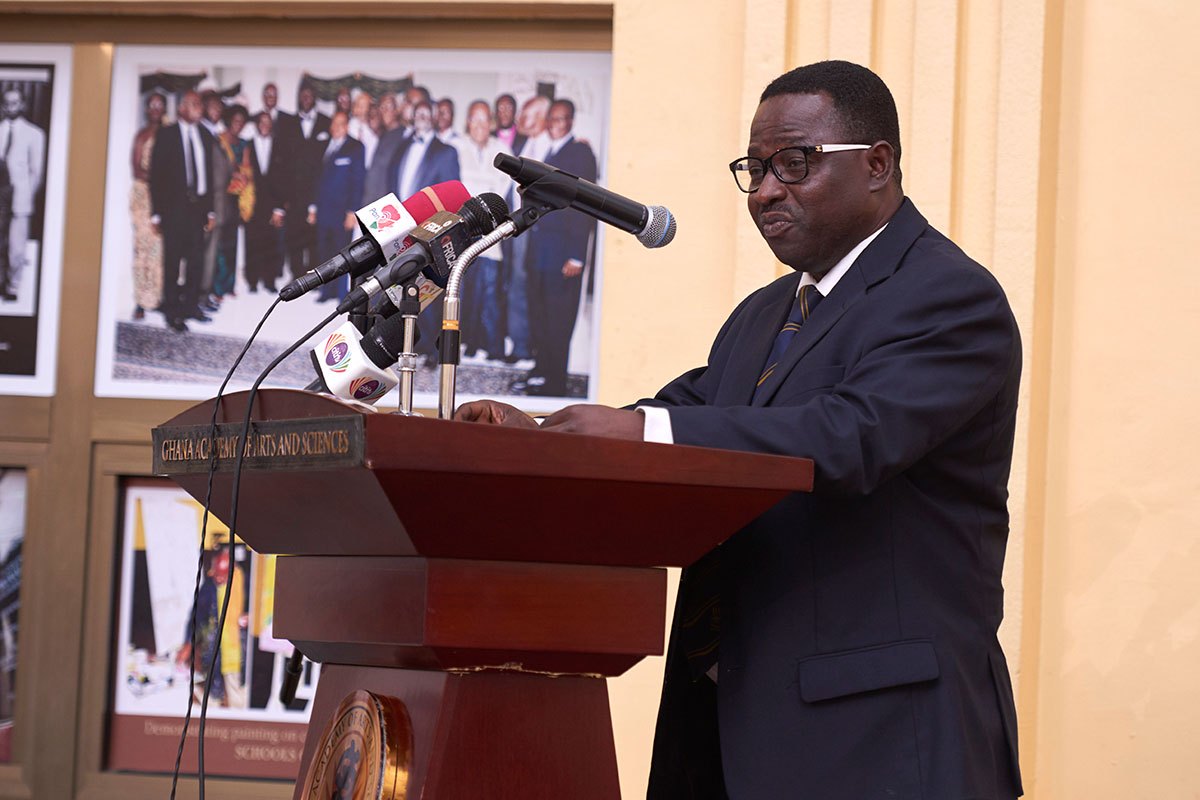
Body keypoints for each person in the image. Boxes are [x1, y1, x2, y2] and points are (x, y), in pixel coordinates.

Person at [456, 61, 1023, 800]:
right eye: (755, 169)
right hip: (725, 729)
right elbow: (680, 414)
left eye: (795, 163)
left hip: (878, 738)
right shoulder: (764, 314)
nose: (765, 191)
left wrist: (640, 430)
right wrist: (533, 433)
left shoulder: (950, 296)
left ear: (877, 164)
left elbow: (849, 437)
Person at [517, 98, 597, 396]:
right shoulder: (545, 150)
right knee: (539, 317)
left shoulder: (581, 153)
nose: (554, 124)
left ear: (571, 121)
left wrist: (577, 255)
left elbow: (584, 207)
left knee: (559, 321)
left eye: (561, 119)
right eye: (551, 118)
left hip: (564, 254)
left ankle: (555, 383)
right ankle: (542, 369)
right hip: (539, 253)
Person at [387, 99, 460, 357]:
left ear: (434, 117)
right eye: (418, 112)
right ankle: (409, 341)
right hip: (401, 227)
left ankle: (430, 347)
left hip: (430, 231)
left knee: (429, 287)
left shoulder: (447, 151)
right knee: (404, 286)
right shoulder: (402, 147)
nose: (422, 116)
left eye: (427, 112)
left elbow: (451, 196)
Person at [149, 90, 215, 333]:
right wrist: (156, 213)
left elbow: (208, 174)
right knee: (173, 262)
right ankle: (172, 312)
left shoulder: (205, 135)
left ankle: (190, 306)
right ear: (182, 108)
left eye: (200, 104)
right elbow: (156, 175)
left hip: (198, 209)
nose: (200, 108)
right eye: (195, 104)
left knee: (196, 261)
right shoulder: (166, 134)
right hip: (174, 209)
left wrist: (210, 211)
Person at [452, 100, 513, 360]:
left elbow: (503, 190)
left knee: (490, 294)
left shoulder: (503, 150)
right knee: (461, 292)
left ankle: (494, 348)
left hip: (491, 235)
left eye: (484, 119)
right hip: (461, 232)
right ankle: (463, 344)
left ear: (492, 123)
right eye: (474, 120)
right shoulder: (456, 146)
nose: (479, 125)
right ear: (468, 122)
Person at [502, 94, 553, 366]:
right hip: (516, 224)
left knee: (528, 289)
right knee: (515, 286)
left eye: (528, 114)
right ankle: (520, 344)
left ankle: (529, 347)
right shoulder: (522, 143)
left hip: (538, 231)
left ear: (543, 119)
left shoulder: (552, 148)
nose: (520, 118)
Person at [276, 81, 330, 278]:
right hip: (294, 192)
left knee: (314, 236)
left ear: (315, 97)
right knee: (295, 235)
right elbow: (281, 162)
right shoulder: (287, 123)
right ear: (299, 97)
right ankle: (296, 274)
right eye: (303, 95)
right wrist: (284, 196)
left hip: (318, 190)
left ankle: (314, 276)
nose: (306, 99)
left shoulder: (326, 122)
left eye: (309, 95)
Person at [311, 111, 365, 302]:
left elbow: (358, 181)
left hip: (342, 212)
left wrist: (352, 212)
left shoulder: (356, 147)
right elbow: (317, 179)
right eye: (334, 124)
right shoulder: (324, 145)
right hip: (324, 211)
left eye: (341, 124)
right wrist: (313, 208)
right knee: (324, 252)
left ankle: (342, 294)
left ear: (347, 126)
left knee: (342, 254)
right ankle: (327, 291)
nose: (336, 128)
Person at [0, 88, 46, 299]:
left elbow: (36, 172)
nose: (11, 107)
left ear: (23, 104)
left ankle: (13, 286)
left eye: (15, 102)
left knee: (17, 246)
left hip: (19, 197)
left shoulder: (34, 134)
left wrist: (26, 196)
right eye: (7, 103)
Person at [128, 92, 165, 320]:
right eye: (152, 105)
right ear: (146, 109)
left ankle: (156, 297)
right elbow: (137, 170)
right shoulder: (142, 135)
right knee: (143, 247)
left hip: (164, 197)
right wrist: (159, 178)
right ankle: (141, 301)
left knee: (159, 250)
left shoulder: (168, 134)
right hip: (143, 197)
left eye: (159, 105)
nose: (155, 109)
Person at [245, 111, 287, 293]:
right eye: (261, 122)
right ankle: (252, 281)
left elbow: (284, 178)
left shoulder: (280, 146)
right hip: (252, 204)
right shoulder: (247, 145)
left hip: (272, 205)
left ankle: (269, 280)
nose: (264, 125)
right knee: (252, 243)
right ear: (257, 124)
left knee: (271, 243)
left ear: (272, 125)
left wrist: (279, 208)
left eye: (268, 122)